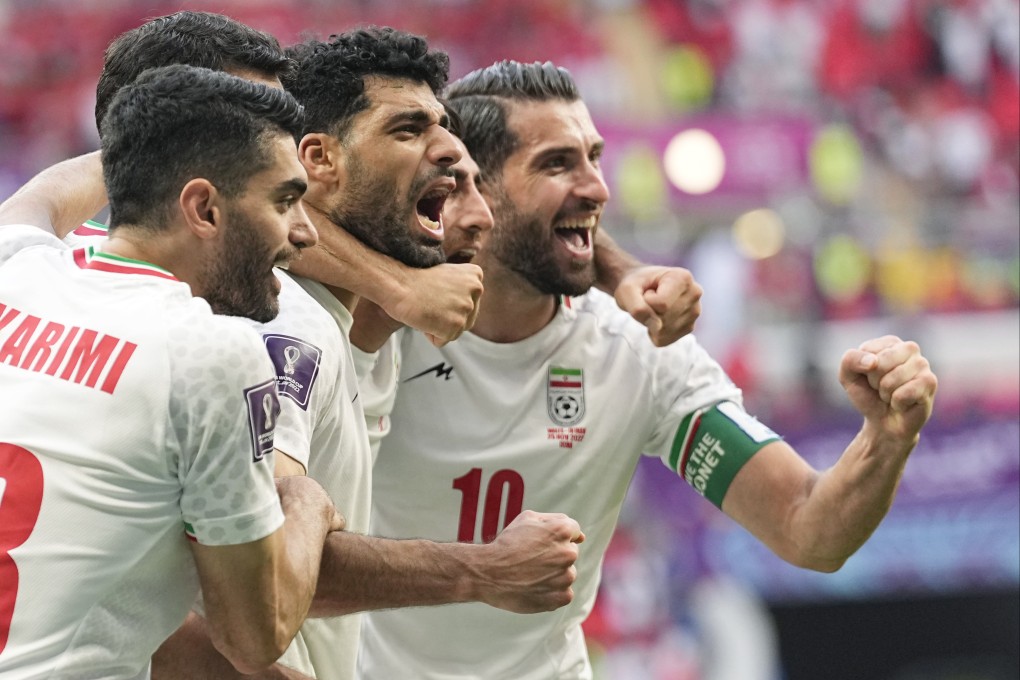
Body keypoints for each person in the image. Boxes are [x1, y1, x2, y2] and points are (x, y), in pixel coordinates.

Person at [357, 60, 940, 680]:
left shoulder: (640, 350)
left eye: (594, 158)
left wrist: (886, 438)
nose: (599, 187)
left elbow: (807, 528)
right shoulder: (378, 326)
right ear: (472, 185)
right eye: (557, 163)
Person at [42, 21, 584, 680]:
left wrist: (619, 271)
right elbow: (254, 583)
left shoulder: (44, 273)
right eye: (409, 130)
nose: (451, 160)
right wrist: (483, 569)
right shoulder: (266, 326)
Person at [0, 65, 343, 678]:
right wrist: (308, 504)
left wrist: (159, 134)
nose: (306, 232)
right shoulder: (210, 352)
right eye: (285, 200)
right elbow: (252, 635)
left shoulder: (17, 275)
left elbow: (38, 199)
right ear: (204, 208)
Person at [74, 10, 486, 348]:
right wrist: (397, 287)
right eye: (254, 118)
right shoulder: (267, 329)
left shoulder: (31, 252)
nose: (281, 144)